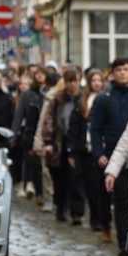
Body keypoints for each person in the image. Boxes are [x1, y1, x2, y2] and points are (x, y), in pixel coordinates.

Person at [90, 58, 128, 256]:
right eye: (118, 69)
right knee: (120, 202)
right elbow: (95, 129)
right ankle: (123, 243)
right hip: (113, 156)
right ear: (112, 73)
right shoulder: (104, 98)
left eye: (126, 69)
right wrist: (98, 153)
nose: (122, 73)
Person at [41, 67, 85, 223]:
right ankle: (61, 208)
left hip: (78, 142)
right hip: (60, 142)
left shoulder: (83, 98)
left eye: (75, 81)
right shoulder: (57, 100)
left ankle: (76, 212)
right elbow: (49, 121)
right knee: (60, 179)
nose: (72, 84)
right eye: (69, 81)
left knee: (76, 178)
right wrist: (48, 141)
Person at [67, 68, 105, 231]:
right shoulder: (82, 100)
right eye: (94, 80)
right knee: (84, 184)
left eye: (99, 80)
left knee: (98, 187)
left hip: (100, 149)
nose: (96, 83)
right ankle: (86, 216)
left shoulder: (106, 99)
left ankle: (99, 219)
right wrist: (72, 149)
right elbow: (74, 126)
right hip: (84, 149)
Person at [12, 67, 47, 209]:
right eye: (37, 74)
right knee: (33, 163)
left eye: (42, 74)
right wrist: (14, 135)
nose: (39, 77)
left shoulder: (48, 94)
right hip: (30, 134)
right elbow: (19, 115)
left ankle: (42, 191)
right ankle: (35, 190)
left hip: (46, 134)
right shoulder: (27, 95)